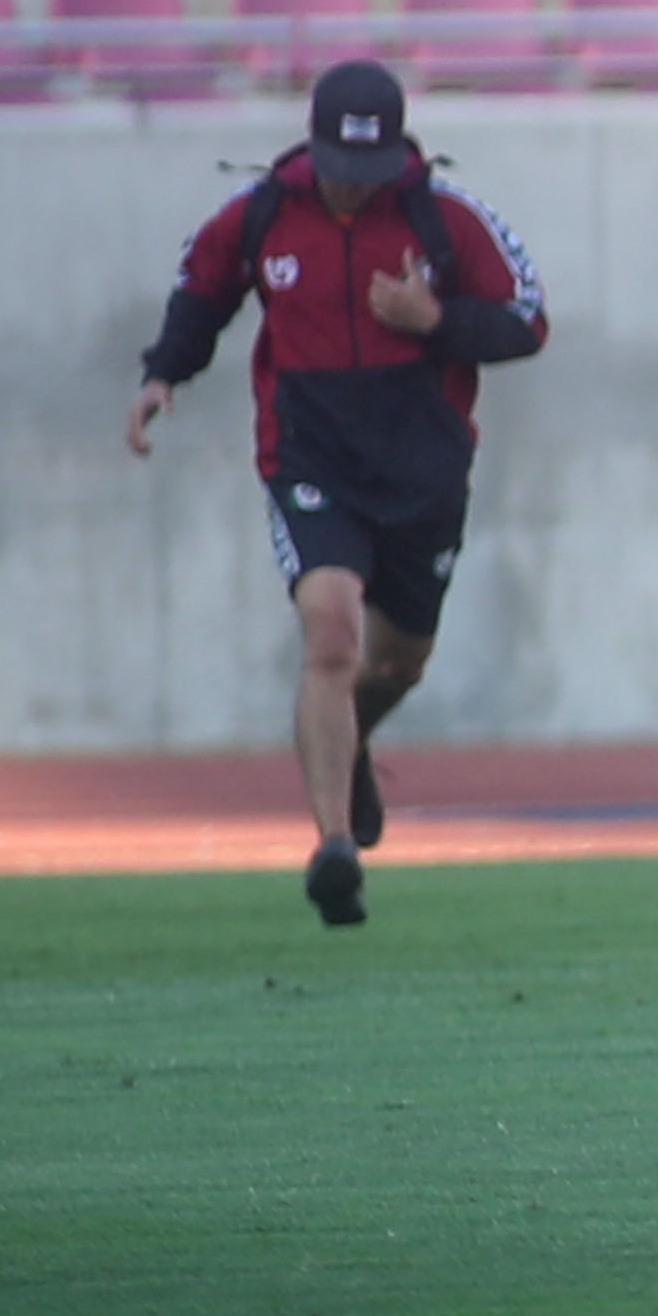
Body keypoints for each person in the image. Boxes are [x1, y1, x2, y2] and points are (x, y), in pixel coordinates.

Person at [123, 57, 552, 928]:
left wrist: (435, 322)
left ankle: (350, 741)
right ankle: (333, 851)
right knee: (329, 633)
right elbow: (202, 285)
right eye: (339, 174)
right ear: (313, 149)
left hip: (422, 468)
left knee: (398, 660)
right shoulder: (264, 213)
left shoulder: (443, 217)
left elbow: (528, 319)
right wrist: (165, 374)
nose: (353, 194)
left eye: (370, 175)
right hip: (311, 458)